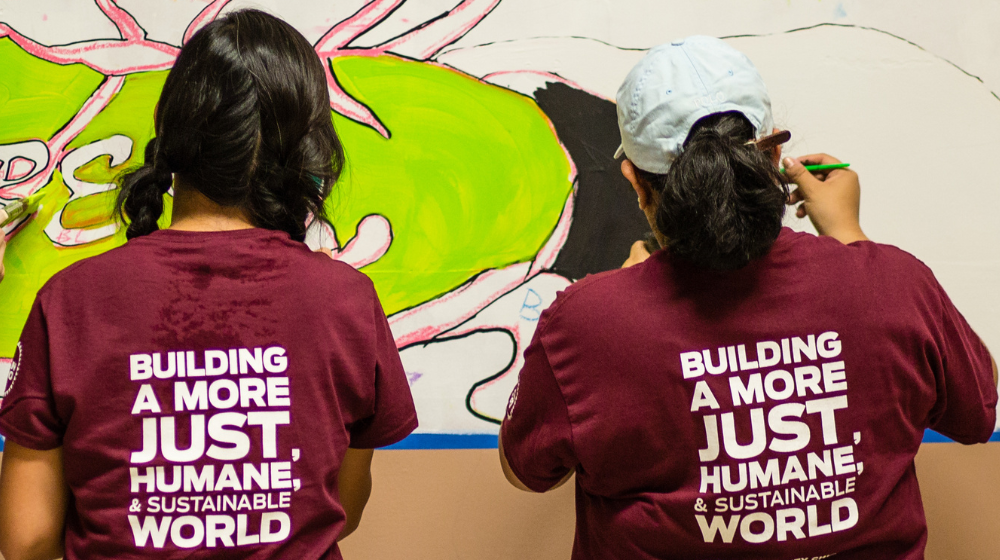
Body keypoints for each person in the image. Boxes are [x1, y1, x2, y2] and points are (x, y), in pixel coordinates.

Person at [499, 36, 997, 559]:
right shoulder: (893, 284)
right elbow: (977, 403)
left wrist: (614, 304)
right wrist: (853, 242)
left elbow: (525, 471)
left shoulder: (586, 324)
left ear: (636, 183)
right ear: (773, 154)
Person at [0, 10, 417, 560]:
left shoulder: (70, 299)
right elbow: (342, 507)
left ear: (172, 137)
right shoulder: (347, 301)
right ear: (307, 148)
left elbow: (26, 539)